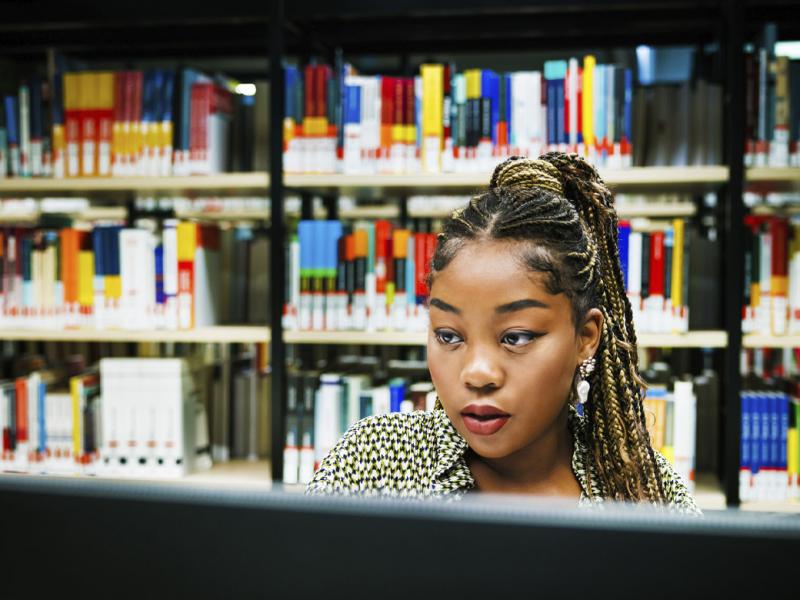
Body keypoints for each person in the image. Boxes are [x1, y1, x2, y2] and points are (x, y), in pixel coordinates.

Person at [306, 152, 700, 514]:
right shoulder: (376, 463)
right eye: (448, 335)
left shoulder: (649, 496)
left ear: (586, 337)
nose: (476, 373)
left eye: (516, 337)